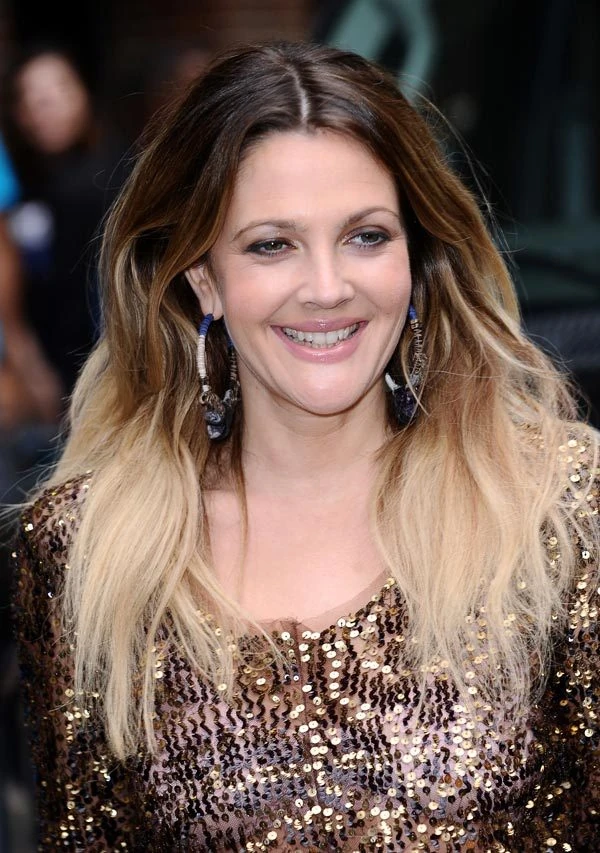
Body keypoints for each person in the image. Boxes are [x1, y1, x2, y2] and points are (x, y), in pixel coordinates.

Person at [12, 41, 599, 851]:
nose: (327, 287)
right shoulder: (91, 549)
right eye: (271, 244)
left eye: (366, 236)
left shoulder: (556, 509)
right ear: (204, 278)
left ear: (415, 257)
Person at [3, 47, 126, 397]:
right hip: (46, 366)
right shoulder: (20, 185)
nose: (46, 106)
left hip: (103, 367)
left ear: (83, 93)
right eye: (32, 98)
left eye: (58, 90)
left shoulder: (114, 176)